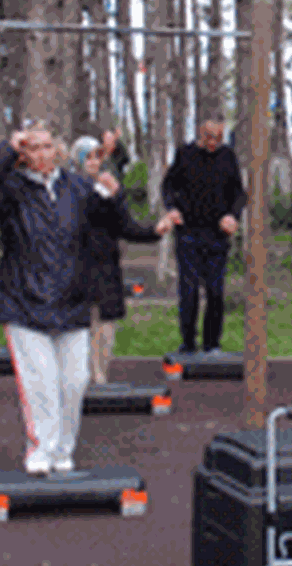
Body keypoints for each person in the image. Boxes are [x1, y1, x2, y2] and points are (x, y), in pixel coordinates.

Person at [0, 123, 125, 475]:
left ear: (57, 150)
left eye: (46, 147)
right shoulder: (11, 190)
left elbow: (112, 223)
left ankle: (63, 451)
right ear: (24, 155)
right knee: (41, 382)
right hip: (25, 303)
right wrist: (7, 149)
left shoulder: (77, 187)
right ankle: (41, 451)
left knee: (75, 382)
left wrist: (115, 196)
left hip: (71, 301)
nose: (41, 154)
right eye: (33, 148)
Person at [70, 134, 172, 385]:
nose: (94, 162)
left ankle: (100, 376)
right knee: (81, 328)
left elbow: (125, 226)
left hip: (106, 267)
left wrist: (155, 231)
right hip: (77, 268)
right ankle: (80, 378)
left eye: (97, 157)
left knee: (106, 327)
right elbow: (82, 215)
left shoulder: (109, 187)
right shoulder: (69, 187)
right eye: (88, 157)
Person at [161, 118, 247, 354]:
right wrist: (172, 209)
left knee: (215, 292)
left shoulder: (228, 157)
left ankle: (212, 344)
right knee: (189, 292)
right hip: (188, 233)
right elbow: (168, 186)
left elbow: (239, 194)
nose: (213, 143)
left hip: (217, 236)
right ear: (200, 133)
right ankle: (188, 342)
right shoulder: (185, 154)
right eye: (209, 137)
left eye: (218, 138)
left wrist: (233, 216)